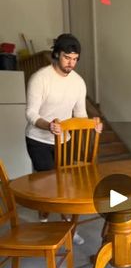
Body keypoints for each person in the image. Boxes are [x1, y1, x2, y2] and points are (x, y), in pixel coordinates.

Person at [25, 33, 102, 245]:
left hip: (64, 141)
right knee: (48, 186)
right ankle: (44, 224)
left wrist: (92, 125)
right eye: (67, 57)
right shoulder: (40, 78)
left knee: (66, 186)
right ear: (57, 54)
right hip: (39, 139)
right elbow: (31, 114)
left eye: (75, 59)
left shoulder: (78, 82)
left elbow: (80, 115)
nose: (71, 63)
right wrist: (48, 126)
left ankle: (69, 228)